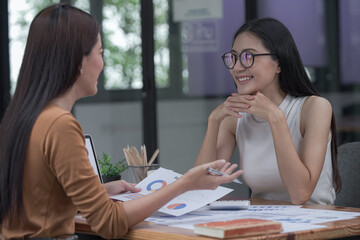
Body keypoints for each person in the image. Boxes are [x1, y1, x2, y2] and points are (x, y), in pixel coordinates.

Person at [0, 4, 242, 239]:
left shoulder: (24, 117)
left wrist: (100, 192)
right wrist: (185, 184)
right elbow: (109, 223)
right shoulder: (60, 124)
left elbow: (38, 200)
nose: (103, 64)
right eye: (100, 53)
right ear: (78, 61)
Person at [195, 18, 341, 206]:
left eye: (248, 57)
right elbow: (199, 189)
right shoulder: (235, 117)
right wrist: (213, 121)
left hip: (317, 226)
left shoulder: (314, 108)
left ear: (278, 64)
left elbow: (300, 194)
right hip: (262, 223)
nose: (237, 67)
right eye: (233, 57)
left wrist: (275, 117)